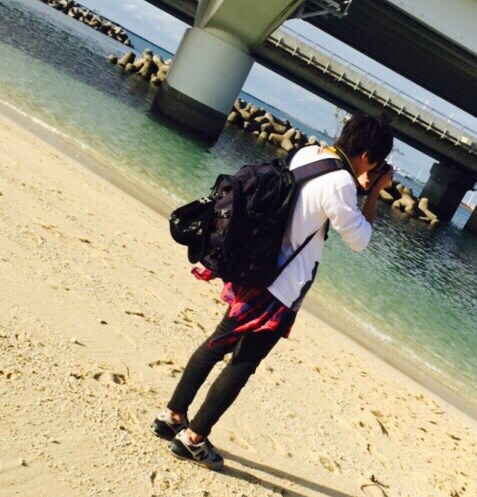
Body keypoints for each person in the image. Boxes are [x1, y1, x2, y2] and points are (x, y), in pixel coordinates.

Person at [151, 113, 394, 470]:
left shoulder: (310, 154)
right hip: (279, 287)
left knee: (217, 343)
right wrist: (373, 193)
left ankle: (172, 416)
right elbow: (359, 239)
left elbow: (309, 204)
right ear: (369, 156)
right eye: (377, 161)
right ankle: (193, 438)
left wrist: (359, 184)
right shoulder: (341, 182)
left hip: (255, 266)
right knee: (242, 362)